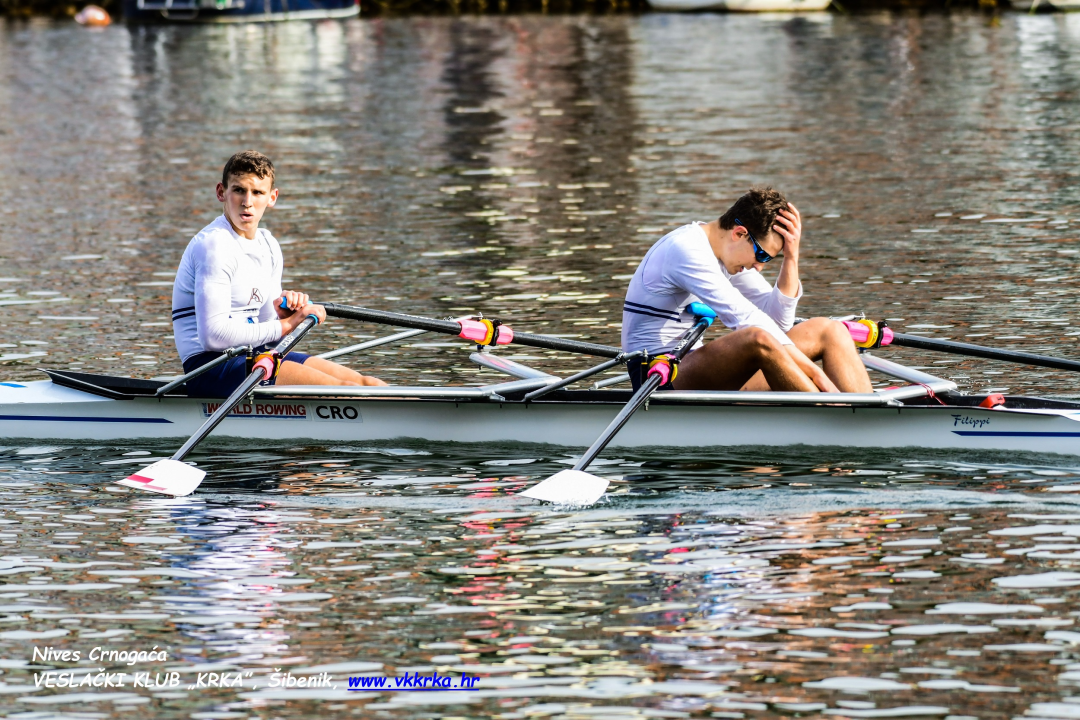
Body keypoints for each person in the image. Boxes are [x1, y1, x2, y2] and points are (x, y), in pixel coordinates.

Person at [172, 150, 386, 397]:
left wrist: (281, 316)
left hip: (255, 357)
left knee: (368, 384)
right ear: (222, 192)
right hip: (210, 367)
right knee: (345, 391)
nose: (247, 202)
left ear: (272, 197)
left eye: (258, 192)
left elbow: (269, 337)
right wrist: (287, 324)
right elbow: (214, 337)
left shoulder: (268, 245)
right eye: (239, 190)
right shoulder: (213, 246)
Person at [621, 186, 872, 394]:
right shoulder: (685, 250)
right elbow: (745, 319)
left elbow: (777, 323)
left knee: (830, 330)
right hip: (658, 375)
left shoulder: (727, 256)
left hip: (699, 368)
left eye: (768, 260)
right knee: (756, 338)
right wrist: (817, 374)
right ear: (739, 233)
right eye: (761, 254)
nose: (759, 267)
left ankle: (866, 416)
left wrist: (791, 259)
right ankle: (831, 413)